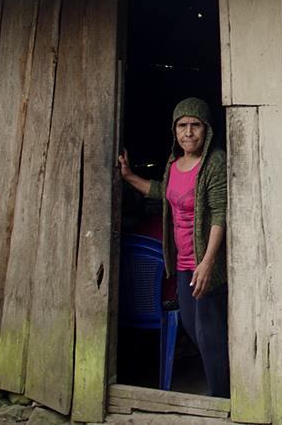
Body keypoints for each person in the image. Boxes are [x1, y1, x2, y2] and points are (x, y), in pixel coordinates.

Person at [118, 97, 229, 398]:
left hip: (206, 263)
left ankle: (222, 396)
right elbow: (162, 192)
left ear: (206, 130)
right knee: (194, 329)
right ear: (174, 130)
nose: (189, 133)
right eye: (182, 126)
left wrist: (206, 263)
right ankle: (224, 388)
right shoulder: (174, 163)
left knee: (208, 333)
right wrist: (129, 177)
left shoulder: (214, 162)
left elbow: (220, 212)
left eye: (195, 125)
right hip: (182, 262)